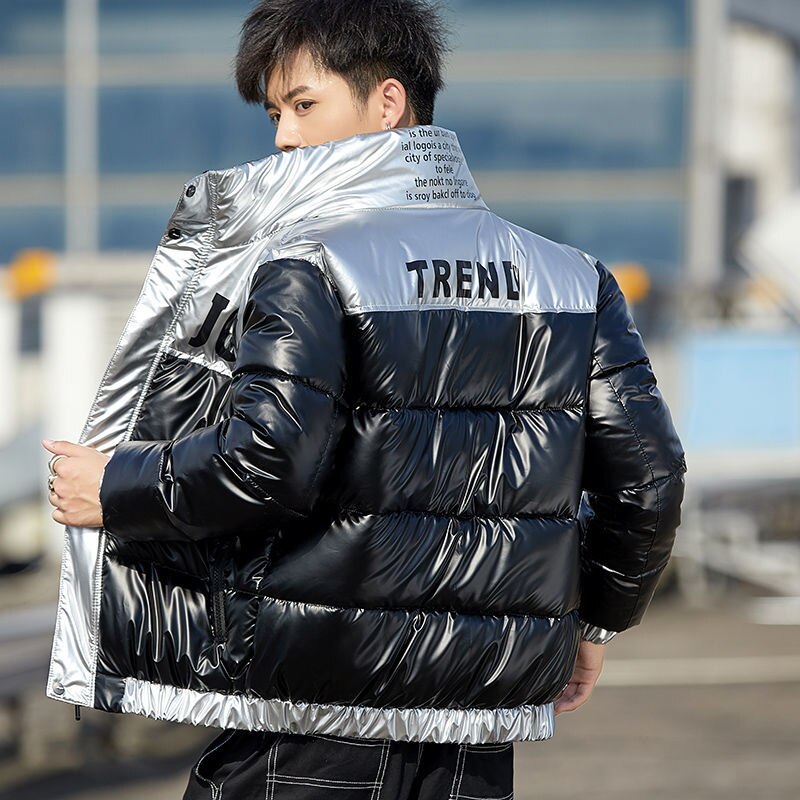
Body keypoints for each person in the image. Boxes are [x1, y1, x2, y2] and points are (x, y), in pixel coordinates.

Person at [42, 1, 687, 798]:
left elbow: (265, 464)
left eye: (303, 104)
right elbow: (649, 480)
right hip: (475, 728)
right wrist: (596, 621)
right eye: (275, 114)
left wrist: (115, 485)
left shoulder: (309, 262)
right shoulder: (572, 277)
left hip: (314, 715)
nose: (284, 136)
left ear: (388, 102)